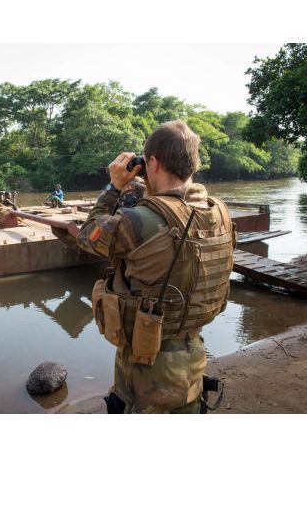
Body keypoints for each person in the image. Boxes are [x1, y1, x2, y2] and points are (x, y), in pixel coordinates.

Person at [76, 120, 235, 414]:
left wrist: (114, 187)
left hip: (145, 365)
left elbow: (87, 238)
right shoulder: (218, 211)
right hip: (193, 354)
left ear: (152, 162)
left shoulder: (138, 220)